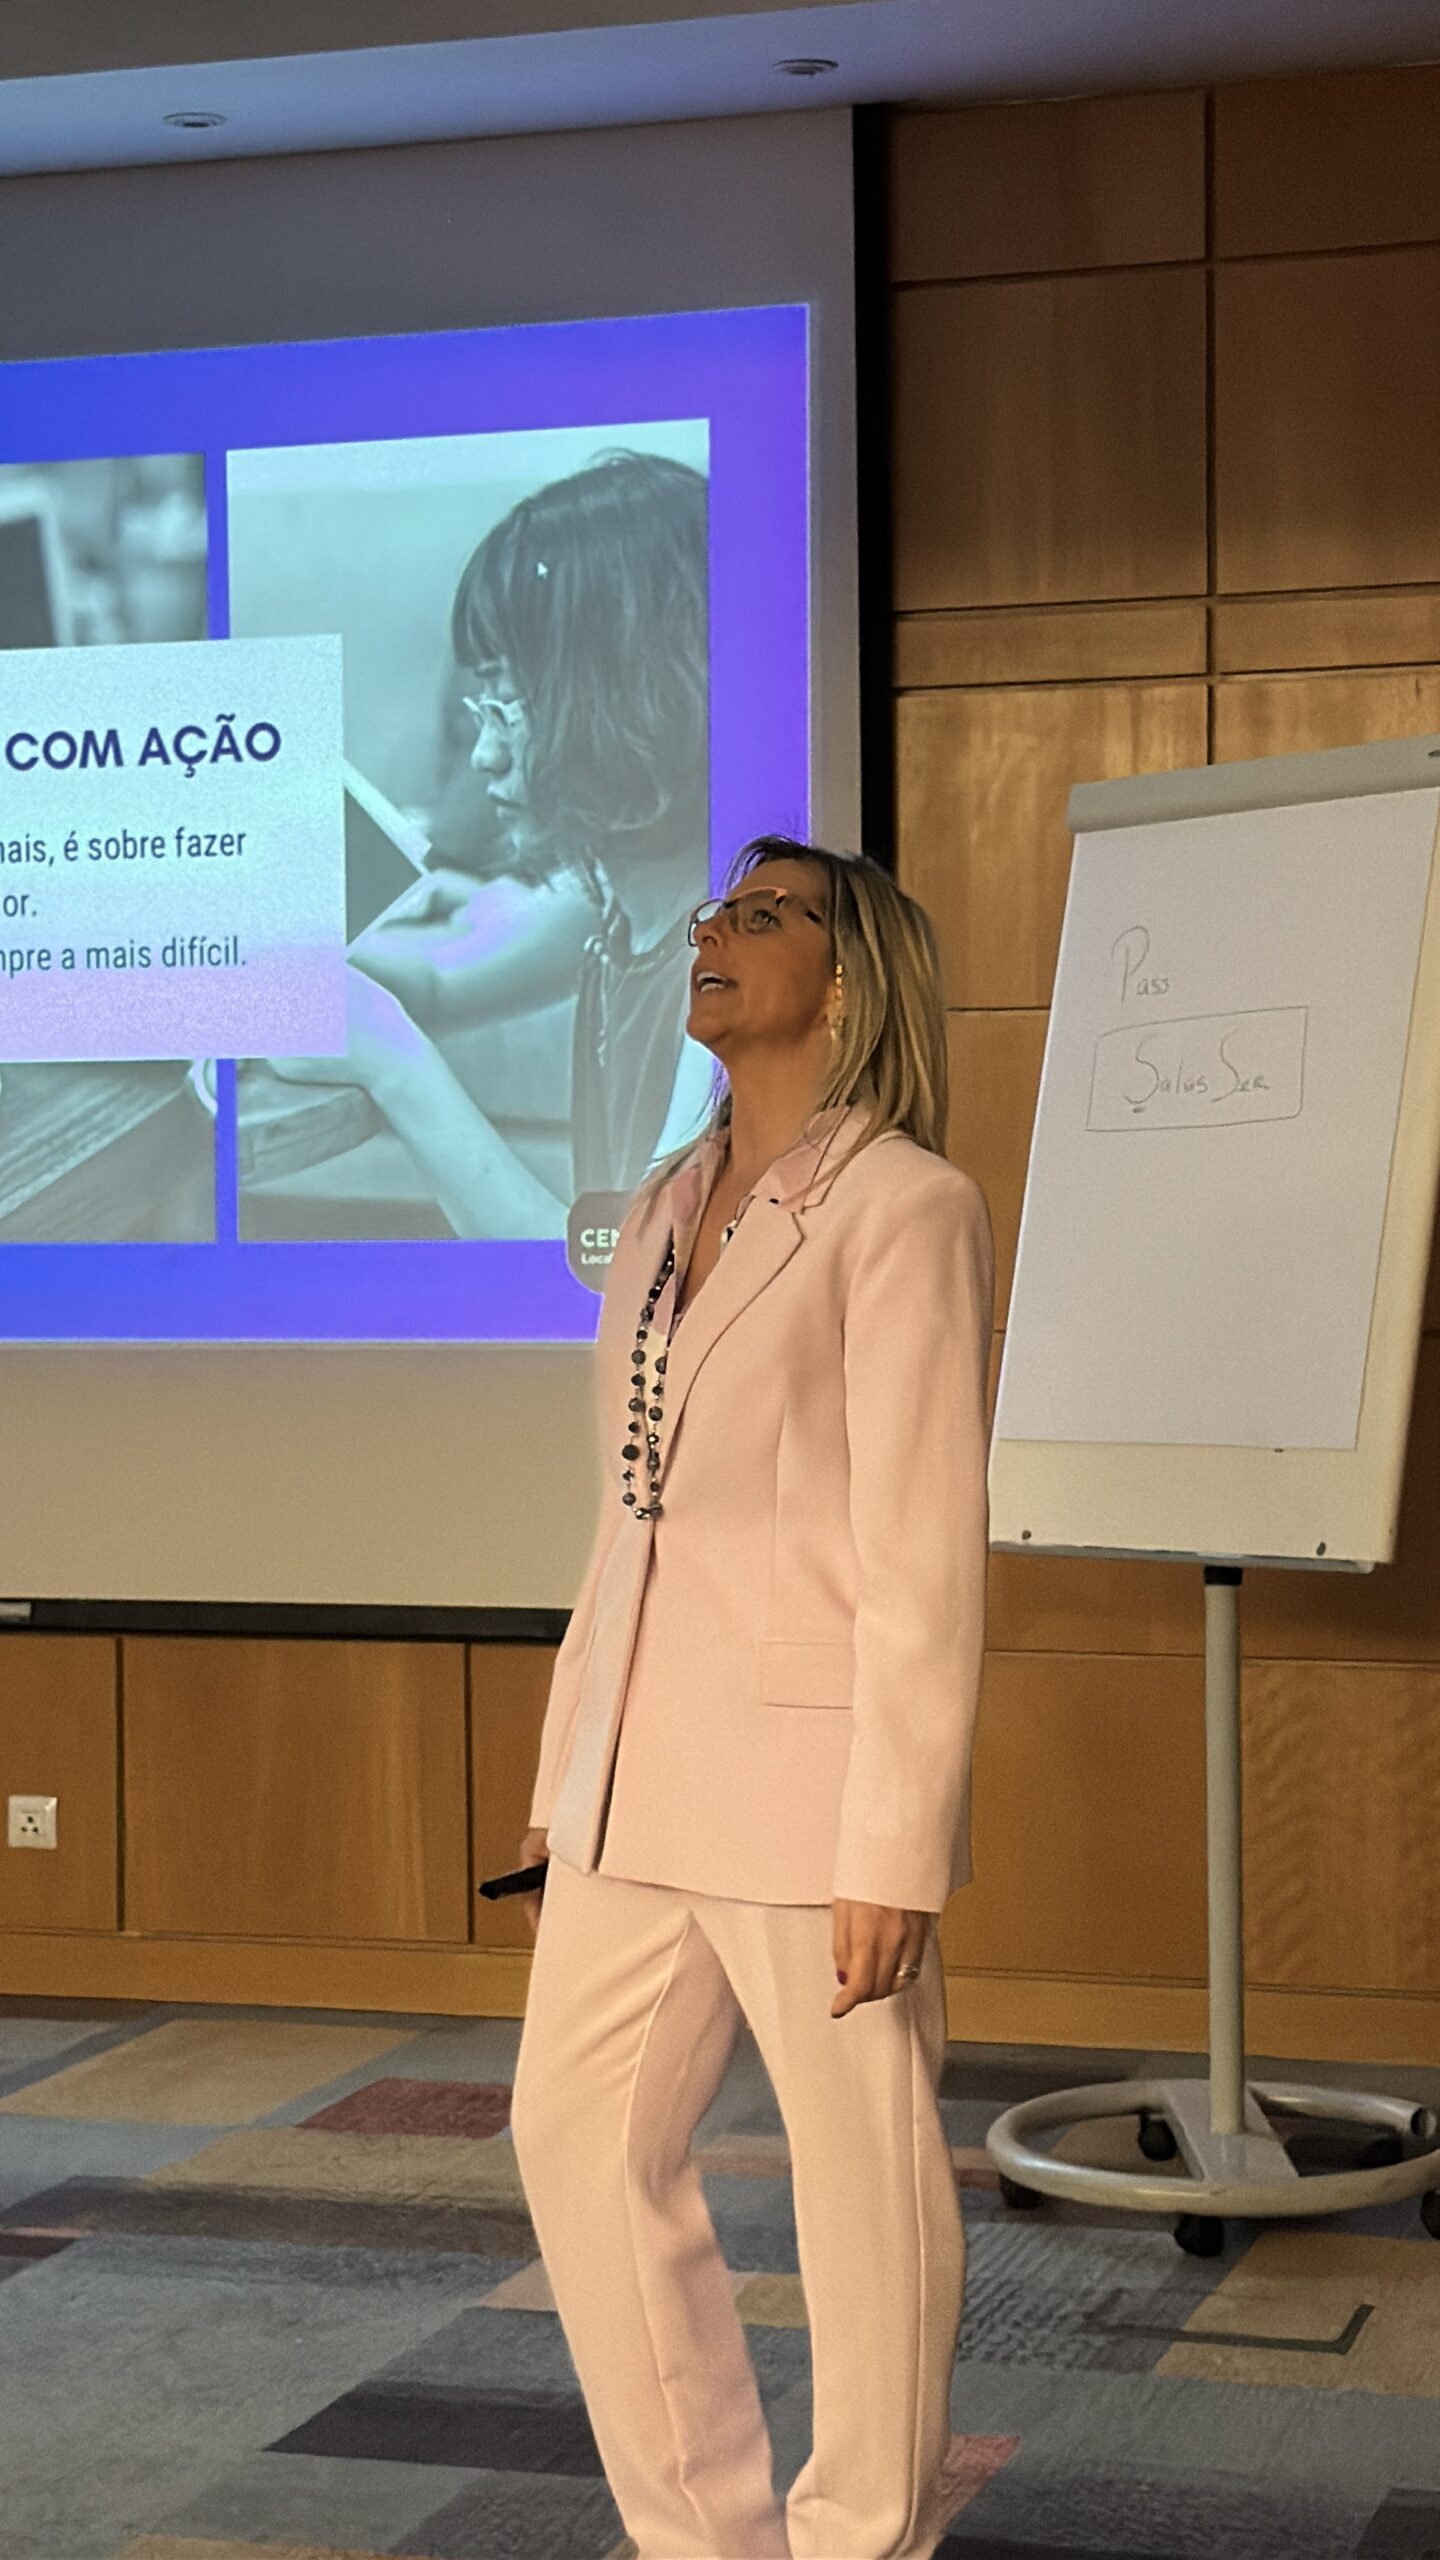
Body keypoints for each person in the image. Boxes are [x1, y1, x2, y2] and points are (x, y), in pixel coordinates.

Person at [508, 834, 996, 2560]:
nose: (713, 930)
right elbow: (629, 1517)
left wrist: (899, 1845)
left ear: (849, 984)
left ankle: (864, 2536)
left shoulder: (906, 1210)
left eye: (763, 914)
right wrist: (567, 1775)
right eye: (715, 907)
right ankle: (703, 2537)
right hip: (635, 1774)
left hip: (815, 1790)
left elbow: (923, 1554)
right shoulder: (656, 1207)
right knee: (572, 2140)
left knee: (864, 2191)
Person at [266, 449, 712, 1231]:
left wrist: (390, 1058)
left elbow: (618, 1283)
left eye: (512, 702)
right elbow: (440, 981)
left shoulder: (727, 964)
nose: (482, 756)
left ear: (625, 697)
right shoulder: (616, 900)